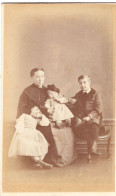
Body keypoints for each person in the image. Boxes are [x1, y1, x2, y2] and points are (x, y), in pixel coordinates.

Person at [17, 68, 59, 165]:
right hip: (30, 118)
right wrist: (33, 113)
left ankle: (48, 159)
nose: (40, 79)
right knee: (36, 131)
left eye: (42, 76)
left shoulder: (47, 91)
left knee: (46, 127)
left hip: (44, 118)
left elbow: (54, 101)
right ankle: (36, 161)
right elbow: (22, 108)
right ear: (32, 78)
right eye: (37, 77)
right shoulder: (27, 91)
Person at [70, 75, 102, 155]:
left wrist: (89, 116)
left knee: (93, 124)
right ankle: (91, 150)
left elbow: (98, 108)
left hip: (93, 116)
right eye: (80, 83)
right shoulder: (78, 94)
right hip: (82, 117)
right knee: (78, 125)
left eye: (85, 82)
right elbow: (72, 98)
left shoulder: (95, 94)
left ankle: (94, 144)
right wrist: (71, 99)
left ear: (89, 82)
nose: (83, 85)